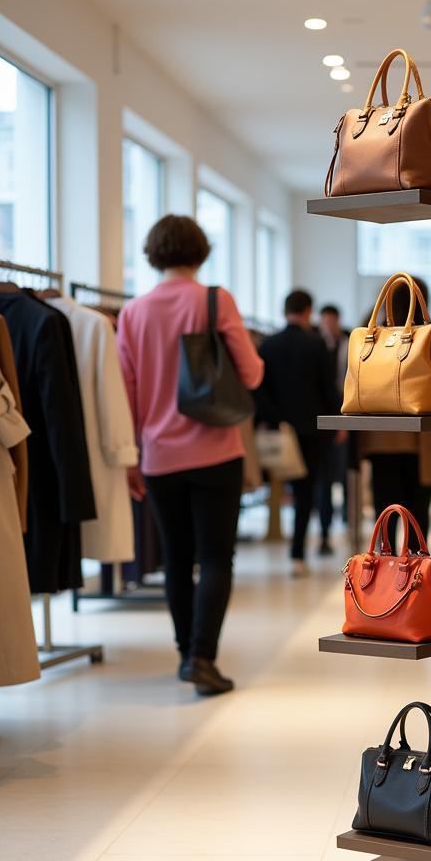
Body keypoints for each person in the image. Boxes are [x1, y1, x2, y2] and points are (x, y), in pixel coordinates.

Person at [117, 215, 264, 696]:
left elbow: (127, 391)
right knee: (216, 556)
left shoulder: (133, 312)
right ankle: (202, 657)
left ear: (153, 254)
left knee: (176, 559)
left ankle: (186, 654)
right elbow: (252, 373)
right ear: (200, 252)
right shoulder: (214, 300)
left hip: (157, 455)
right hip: (216, 449)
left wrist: (131, 460)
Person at [358, 277, 431, 544]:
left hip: (381, 440)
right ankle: (415, 578)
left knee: (384, 518)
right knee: (419, 518)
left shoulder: (373, 341)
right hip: (424, 441)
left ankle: (383, 579)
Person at [256, 290, 339, 575]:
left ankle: (283, 539)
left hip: (280, 430)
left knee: (282, 487)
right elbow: (328, 389)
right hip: (312, 430)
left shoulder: (268, 345)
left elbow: (259, 388)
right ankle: (297, 553)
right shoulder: (316, 345)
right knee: (306, 491)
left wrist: (274, 419)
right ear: (307, 311)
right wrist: (336, 421)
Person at [315, 303, 348, 553]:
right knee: (324, 479)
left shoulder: (350, 343)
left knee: (346, 474)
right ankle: (325, 530)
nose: (327, 325)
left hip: (347, 414)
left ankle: (348, 519)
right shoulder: (314, 345)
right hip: (323, 421)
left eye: (331, 321)